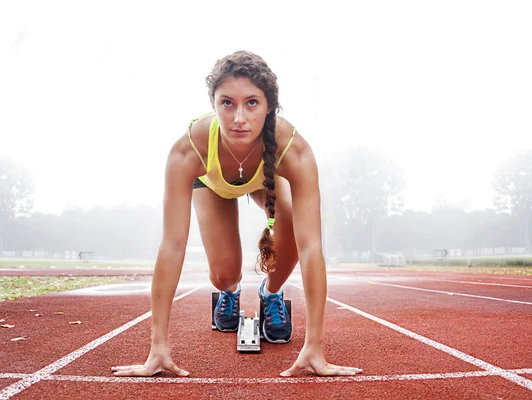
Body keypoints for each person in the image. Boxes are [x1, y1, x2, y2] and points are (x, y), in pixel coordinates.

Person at [111, 50, 363, 377]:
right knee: (224, 273)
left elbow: (311, 245)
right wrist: (157, 347)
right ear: (213, 104)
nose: (239, 118)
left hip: (265, 176)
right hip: (212, 184)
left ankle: (270, 293)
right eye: (227, 103)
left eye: (252, 103)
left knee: (290, 218)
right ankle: (228, 292)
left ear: (269, 106)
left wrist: (314, 345)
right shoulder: (189, 150)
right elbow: (172, 245)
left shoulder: (293, 149)